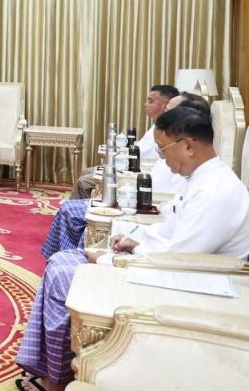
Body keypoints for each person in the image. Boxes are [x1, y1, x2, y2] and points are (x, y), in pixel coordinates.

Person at [16, 107, 249, 391]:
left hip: (187, 285)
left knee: (63, 274)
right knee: (61, 261)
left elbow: (178, 259)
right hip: (169, 267)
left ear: (188, 146)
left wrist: (108, 260)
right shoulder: (201, 179)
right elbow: (172, 231)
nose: (162, 158)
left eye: (163, 150)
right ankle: (52, 371)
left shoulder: (215, 192)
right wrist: (136, 241)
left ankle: (56, 379)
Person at [41, 88, 204, 258]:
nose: (164, 113)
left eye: (168, 110)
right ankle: (66, 254)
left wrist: (130, 246)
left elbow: (179, 250)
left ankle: (71, 254)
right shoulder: (173, 147)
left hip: (142, 211)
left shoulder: (200, 181)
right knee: (81, 191)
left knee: (79, 196)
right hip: (141, 205)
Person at [71, 84, 180, 199]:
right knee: (86, 172)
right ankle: (80, 205)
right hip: (134, 170)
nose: (145, 104)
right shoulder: (157, 126)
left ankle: (78, 206)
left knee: (83, 182)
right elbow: (140, 150)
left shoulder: (167, 133)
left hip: (136, 174)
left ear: (164, 105)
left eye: (150, 101)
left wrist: (118, 156)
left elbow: (142, 156)